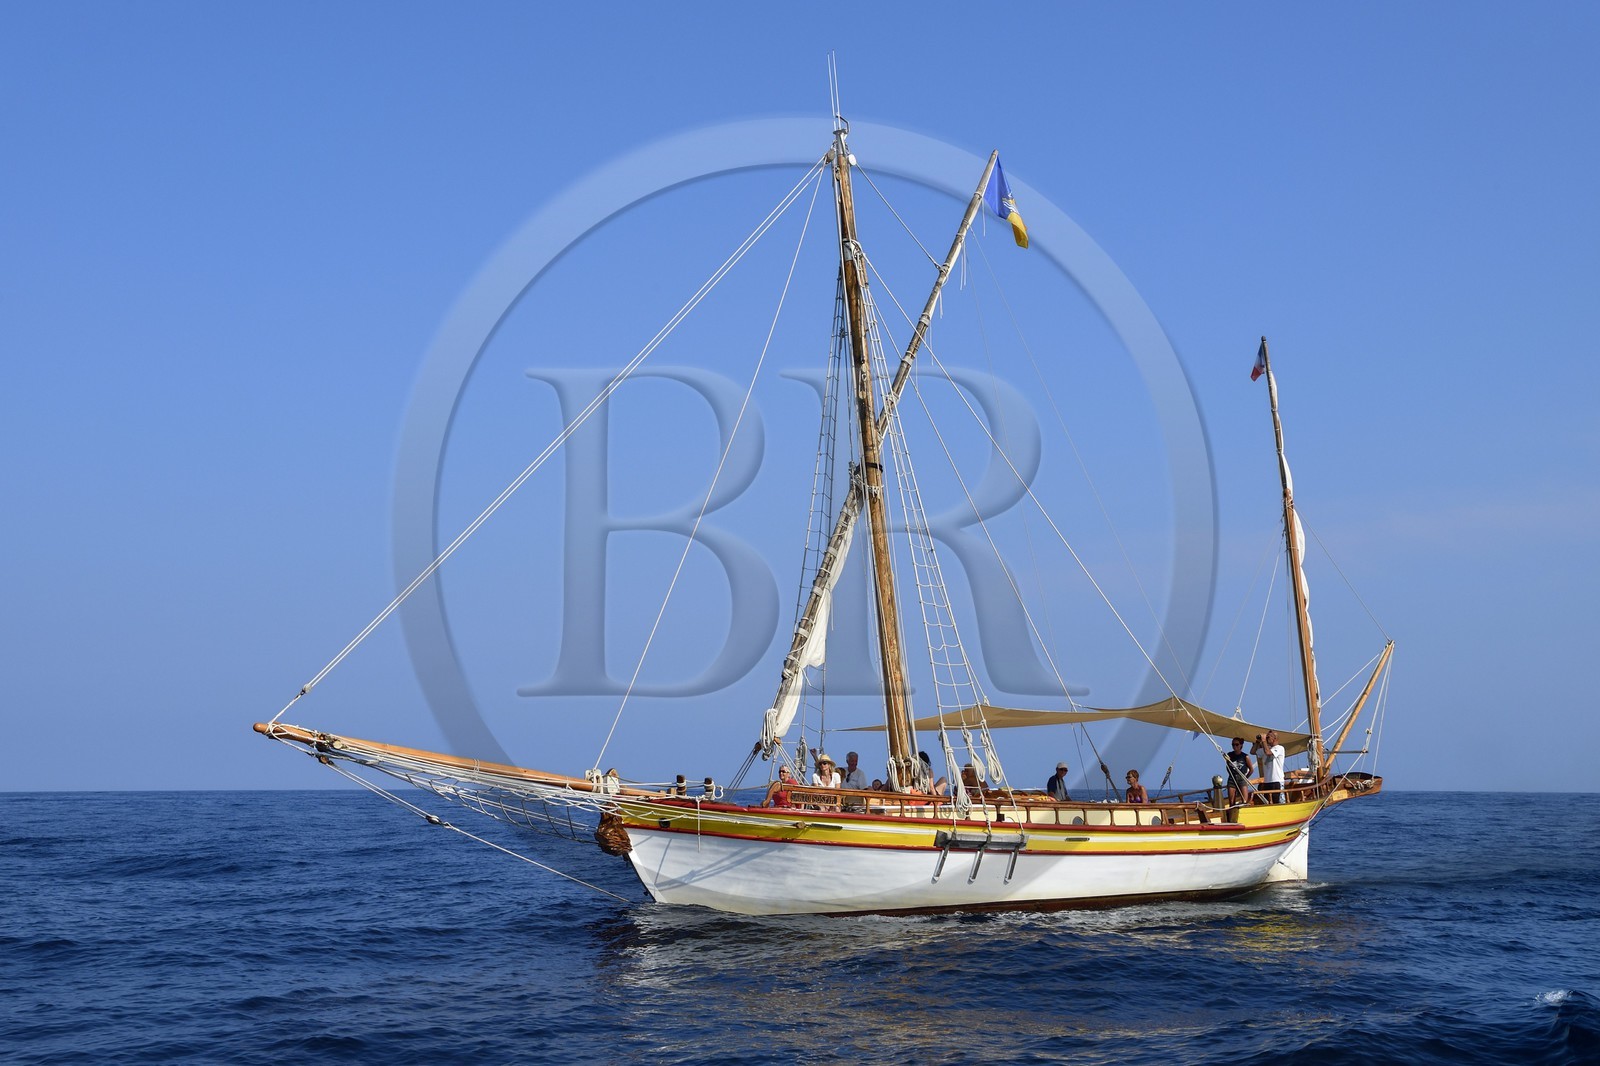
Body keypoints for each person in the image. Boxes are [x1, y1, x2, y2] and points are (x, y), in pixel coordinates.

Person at [1224, 737, 1253, 804]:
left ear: (1241, 745)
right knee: (1231, 802)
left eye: (1236, 744)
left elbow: (1251, 769)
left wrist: (1245, 777)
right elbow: (1227, 766)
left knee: (1245, 801)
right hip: (1232, 778)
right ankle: (1232, 813)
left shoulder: (1245, 756)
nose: (1234, 746)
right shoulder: (1229, 755)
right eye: (1233, 744)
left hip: (1242, 778)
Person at [1259, 730, 1286, 803]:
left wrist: (1264, 741)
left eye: (1269, 736)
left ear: (1275, 738)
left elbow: (1268, 753)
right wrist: (1258, 742)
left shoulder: (1280, 748)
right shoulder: (1265, 749)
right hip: (1267, 781)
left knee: (1278, 802)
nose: (1267, 738)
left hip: (1277, 780)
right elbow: (1253, 752)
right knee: (1268, 802)